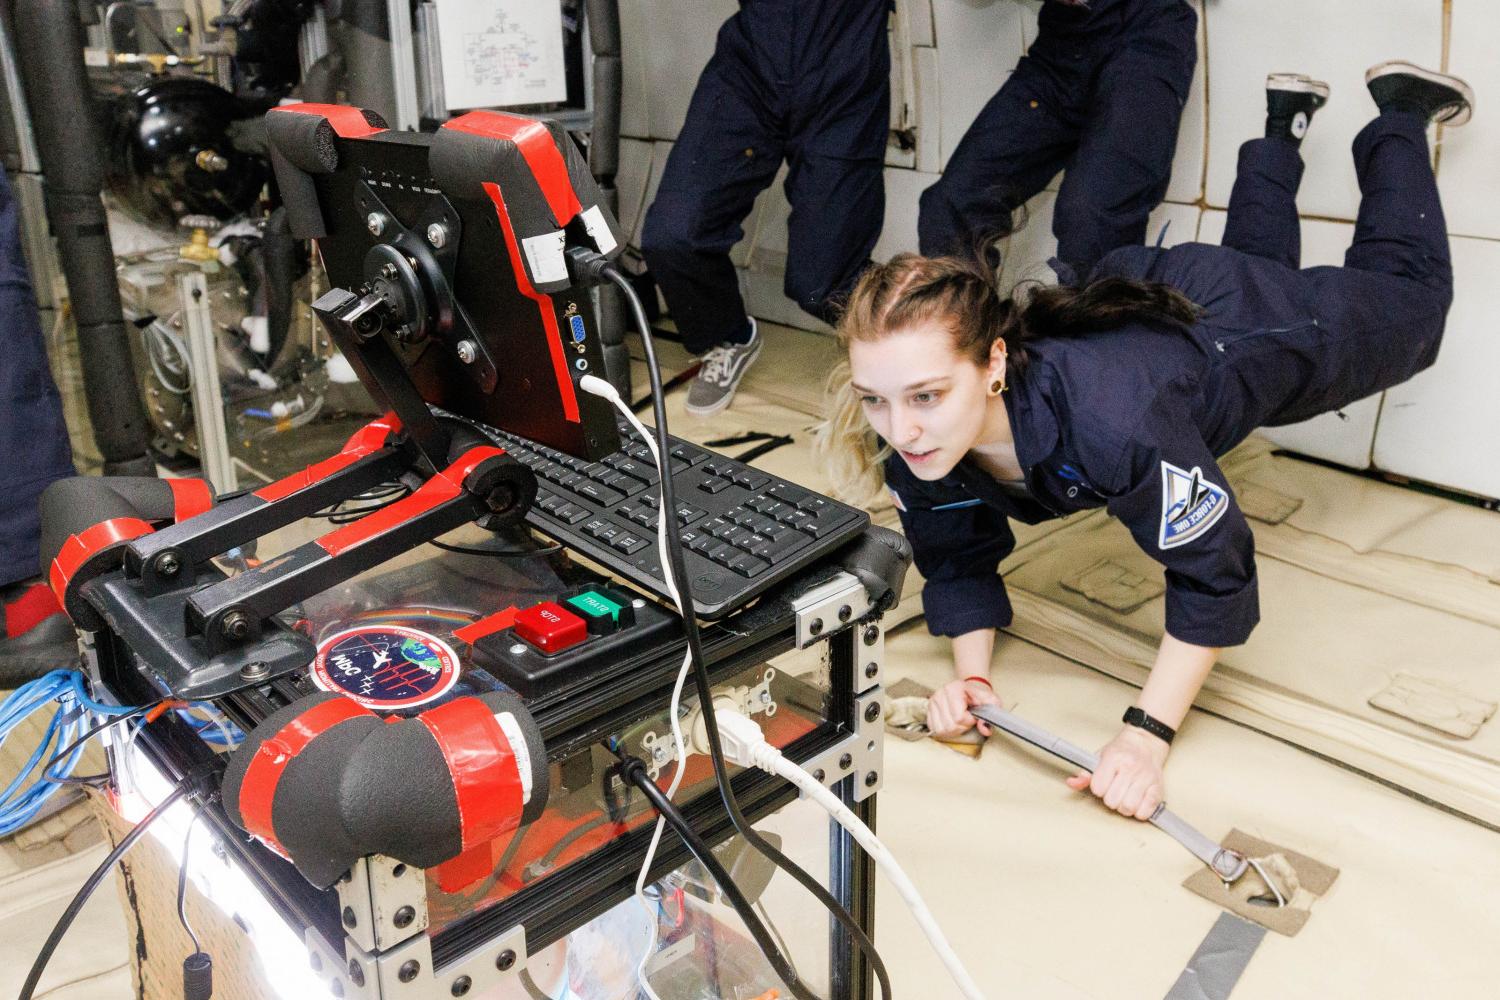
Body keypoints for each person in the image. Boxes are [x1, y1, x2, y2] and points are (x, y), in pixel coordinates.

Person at [817, 63, 1472, 821]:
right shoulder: (923, 443)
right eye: (876, 400)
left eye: (925, 395)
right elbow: (957, 558)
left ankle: (1398, 117)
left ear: (993, 362)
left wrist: (1145, 735)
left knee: (1413, 309)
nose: (902, 430)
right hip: (1161, 311)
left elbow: (1215, 573)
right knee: (1257, 263)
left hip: (1234, 334)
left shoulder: (1111, 424)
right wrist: (973, 680)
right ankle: (1280, 131)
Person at [640, 0, 889, 416]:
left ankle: (903, 364)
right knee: (673, 235)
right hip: (751, 66)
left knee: (823, 282)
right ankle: (728, 338)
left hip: (842, 71)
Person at [918, 0, 1199, 280]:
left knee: (1090, 216)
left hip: (1145, 35)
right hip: (1064, 42)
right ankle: (966, 320)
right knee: (950, 206)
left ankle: (1093, 321)